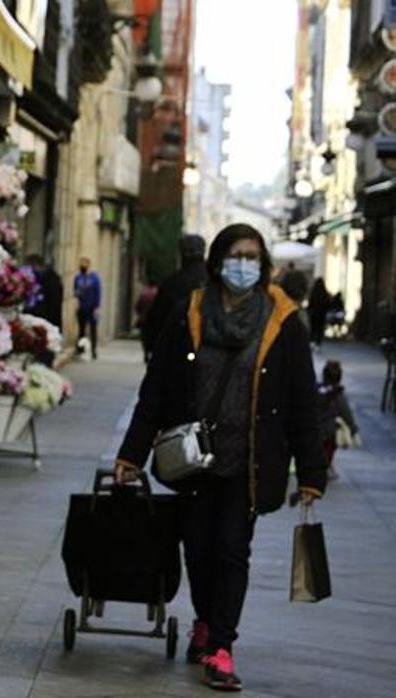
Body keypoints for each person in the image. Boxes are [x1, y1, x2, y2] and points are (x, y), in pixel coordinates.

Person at [113, 223, 326, 691]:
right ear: (216, 261)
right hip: (191, 459)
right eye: (235, 255)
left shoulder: (283, 322)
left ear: (264, 265)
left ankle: (222, 645)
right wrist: (131, 452)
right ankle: (205, 621)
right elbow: (156, 389)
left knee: (232, 551)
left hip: (249, 464)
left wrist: (311, 472)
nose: (243, 265)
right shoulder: (187, 313)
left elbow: (302, 402)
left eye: (252, 257)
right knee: (197, 548)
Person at [141, 234, 207, 362]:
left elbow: (156, 317)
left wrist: (150, 347)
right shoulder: (214, 280)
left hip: (175, 351)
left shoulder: (172, 283)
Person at [317, 359, 358, 480]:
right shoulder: (338, 393)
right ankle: (326, 466)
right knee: (329, 447)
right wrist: (353, 427)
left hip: (314, 426)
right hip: (329, 429)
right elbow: (346, 412)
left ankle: (321, 466)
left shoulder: (317, 389)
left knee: (318, 448)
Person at [73, 256, 102, 358]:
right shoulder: (78, 277)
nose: (83, 266)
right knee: (82, 329)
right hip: (82, 307)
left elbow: (98, 292)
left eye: (85, 264)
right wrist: (78, 293)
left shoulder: (94, 278)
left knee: (93, 329)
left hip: (92, 307)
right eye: (81, 265)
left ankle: (94, 350)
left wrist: (97, 306)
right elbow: (75, 291)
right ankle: (80, 349)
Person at [308, 277, 331, 346]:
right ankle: (318, 342)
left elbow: (310, 303)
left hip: (314, 313)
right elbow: (328, 303)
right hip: (321, 313)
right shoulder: (324, 293)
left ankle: (312, 341)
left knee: (313, 328)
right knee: (320, 328)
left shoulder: (313, 292)